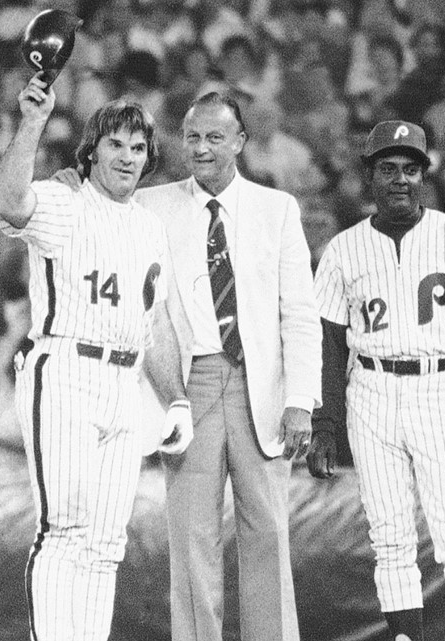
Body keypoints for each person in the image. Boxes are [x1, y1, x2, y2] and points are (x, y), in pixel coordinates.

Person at [0, 72, 193, 641]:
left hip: (126, 382)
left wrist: (176, 399)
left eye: (138, 147)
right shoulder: (65, 201)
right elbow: (8, 200)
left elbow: (153, 325)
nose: (128, 157)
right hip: (65, 369)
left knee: (105, 543)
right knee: (64, 529)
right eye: (115, 144)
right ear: (92, 151)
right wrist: (32, 123)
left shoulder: (150, 228)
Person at [307, 120, 445, 641]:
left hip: (441, 384)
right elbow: (328, 347)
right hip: (369, 389)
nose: (400, 179)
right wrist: (325, 425)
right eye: (388, 169)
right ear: (369, 177)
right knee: (389, 536)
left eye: (410, 169)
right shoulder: (343, 249)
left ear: (425, 177)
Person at [136, 91, 320, 641]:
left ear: (239, 142)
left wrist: (299, 401)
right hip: (188, 382)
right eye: (192, 136)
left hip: (261, 384)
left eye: (215, 137)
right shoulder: (151, 204)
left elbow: (300, 313)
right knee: (191, 538)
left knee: (268, 531)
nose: (201, 147)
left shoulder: (277, 208)